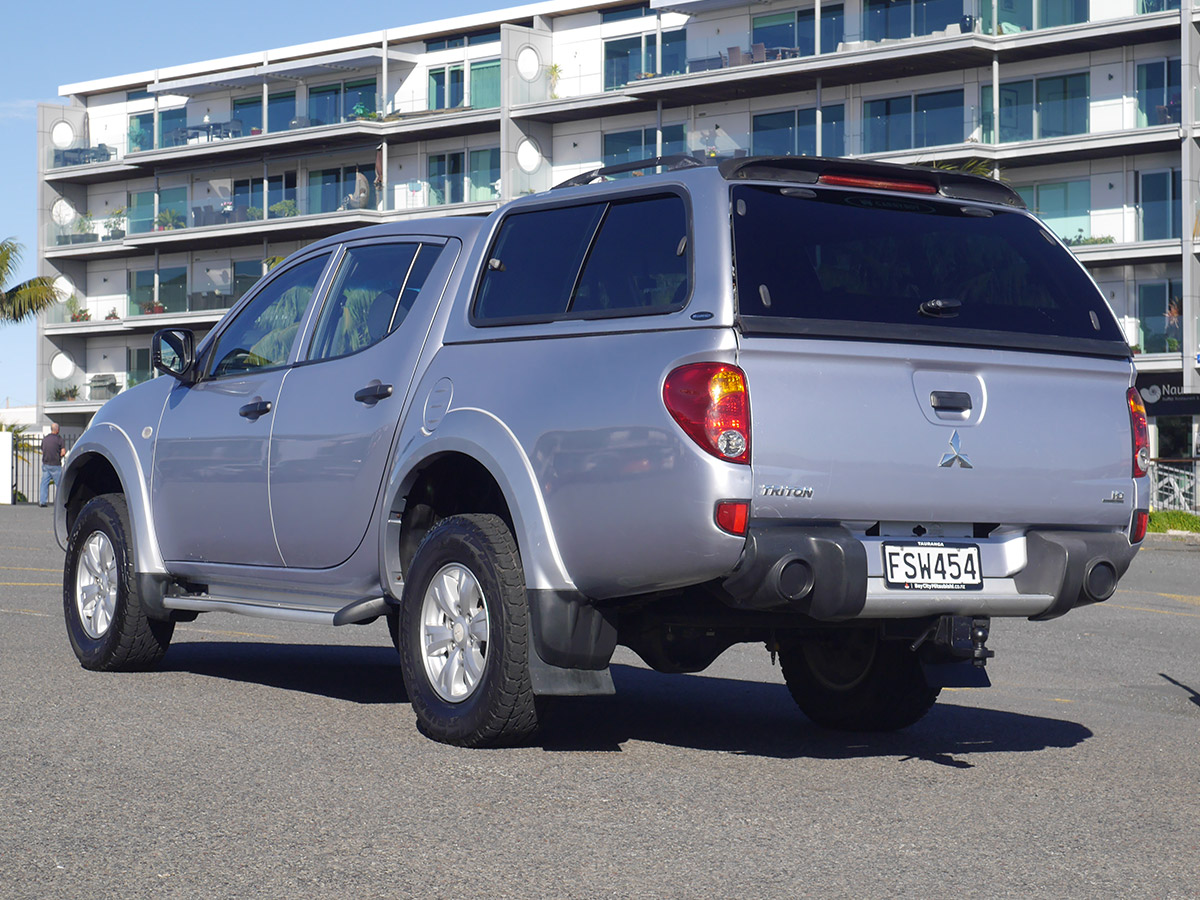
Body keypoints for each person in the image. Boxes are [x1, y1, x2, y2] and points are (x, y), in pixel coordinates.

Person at [39, 423, 66, 507]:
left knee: (44, 484)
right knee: (60, 485)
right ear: (57, 430)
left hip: (46, 464)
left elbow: (43, 451)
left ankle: (42, 502)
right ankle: (61, 503)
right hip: (55, 465)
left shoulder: (45, 439)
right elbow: (63, 452)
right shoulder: (59, 439)